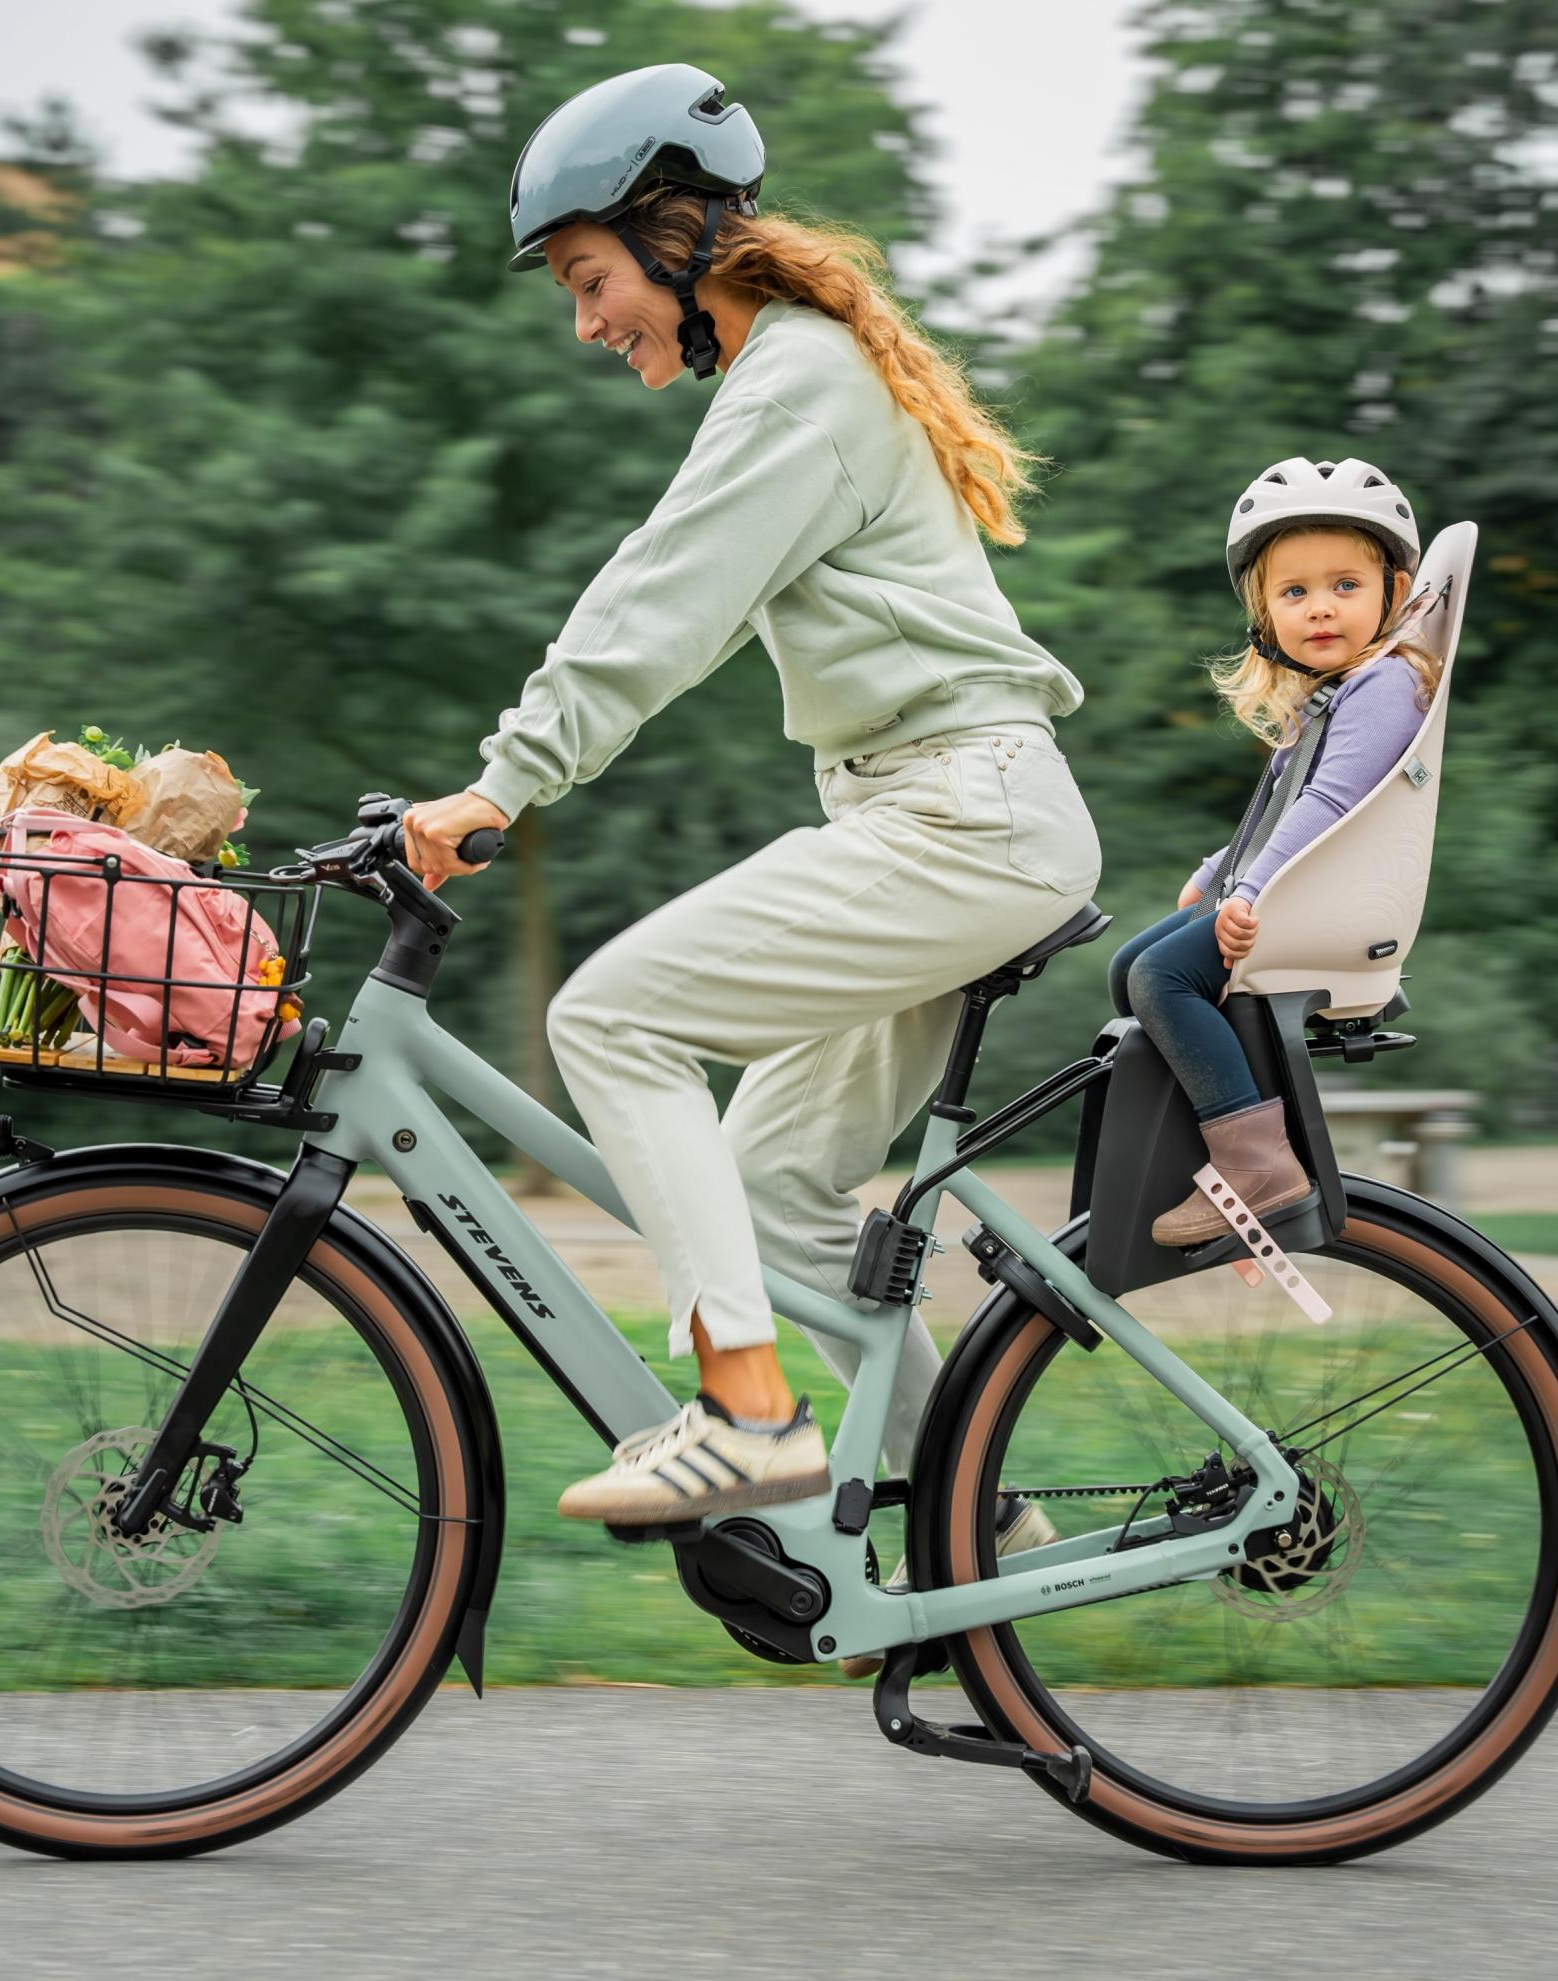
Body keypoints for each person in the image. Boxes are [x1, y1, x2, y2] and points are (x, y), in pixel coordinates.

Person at [401, 63, 1100, 1528]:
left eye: (591, 279)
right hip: (939, 817)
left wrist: (500, 786)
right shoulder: (798, 378)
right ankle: (970, 1526)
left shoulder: (796, 384)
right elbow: (686, 607)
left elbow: (659, 603)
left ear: (674, 233)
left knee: (608, 1017)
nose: (587, 322)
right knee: (774, 1192)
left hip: (958, 816)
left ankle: (747, 1407)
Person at [1107, 456, 1443, 1248]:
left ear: (1395, 594)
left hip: (1314, 902)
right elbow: (1283, 805)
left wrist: (1249, 894)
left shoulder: (1383, 685)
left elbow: (1329, 809)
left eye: (1344, 586)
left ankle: (1256, 1161)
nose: (1320, 609)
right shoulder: (1332, 696)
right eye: (1295, 593)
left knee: (1162, 976)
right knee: (1132, 969)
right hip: (1292, 888)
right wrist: (1213, 874)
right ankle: (1223, 1133)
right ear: (1265, 614)